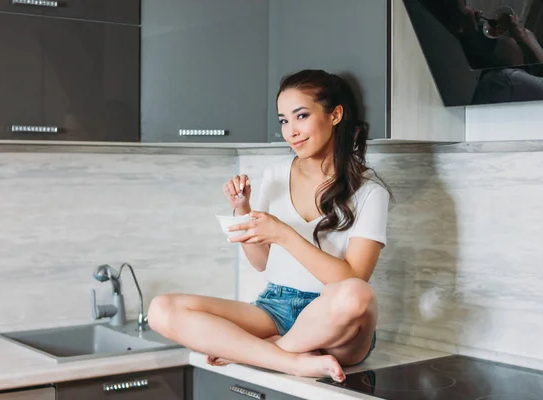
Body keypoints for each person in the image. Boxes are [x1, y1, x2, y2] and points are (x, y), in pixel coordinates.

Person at [147, 69, 391, 382]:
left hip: (333, 320)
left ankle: (268, 351)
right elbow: (261, 262)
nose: (291, 131)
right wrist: (242, 209)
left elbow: (352, 278)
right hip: (274, 305)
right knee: (162, 309)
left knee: (358, 294)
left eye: (301, 116)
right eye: (284, 121)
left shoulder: (370, 192)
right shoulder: (276, 175)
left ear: (335, 115)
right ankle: (291, 361)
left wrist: (285, 235)